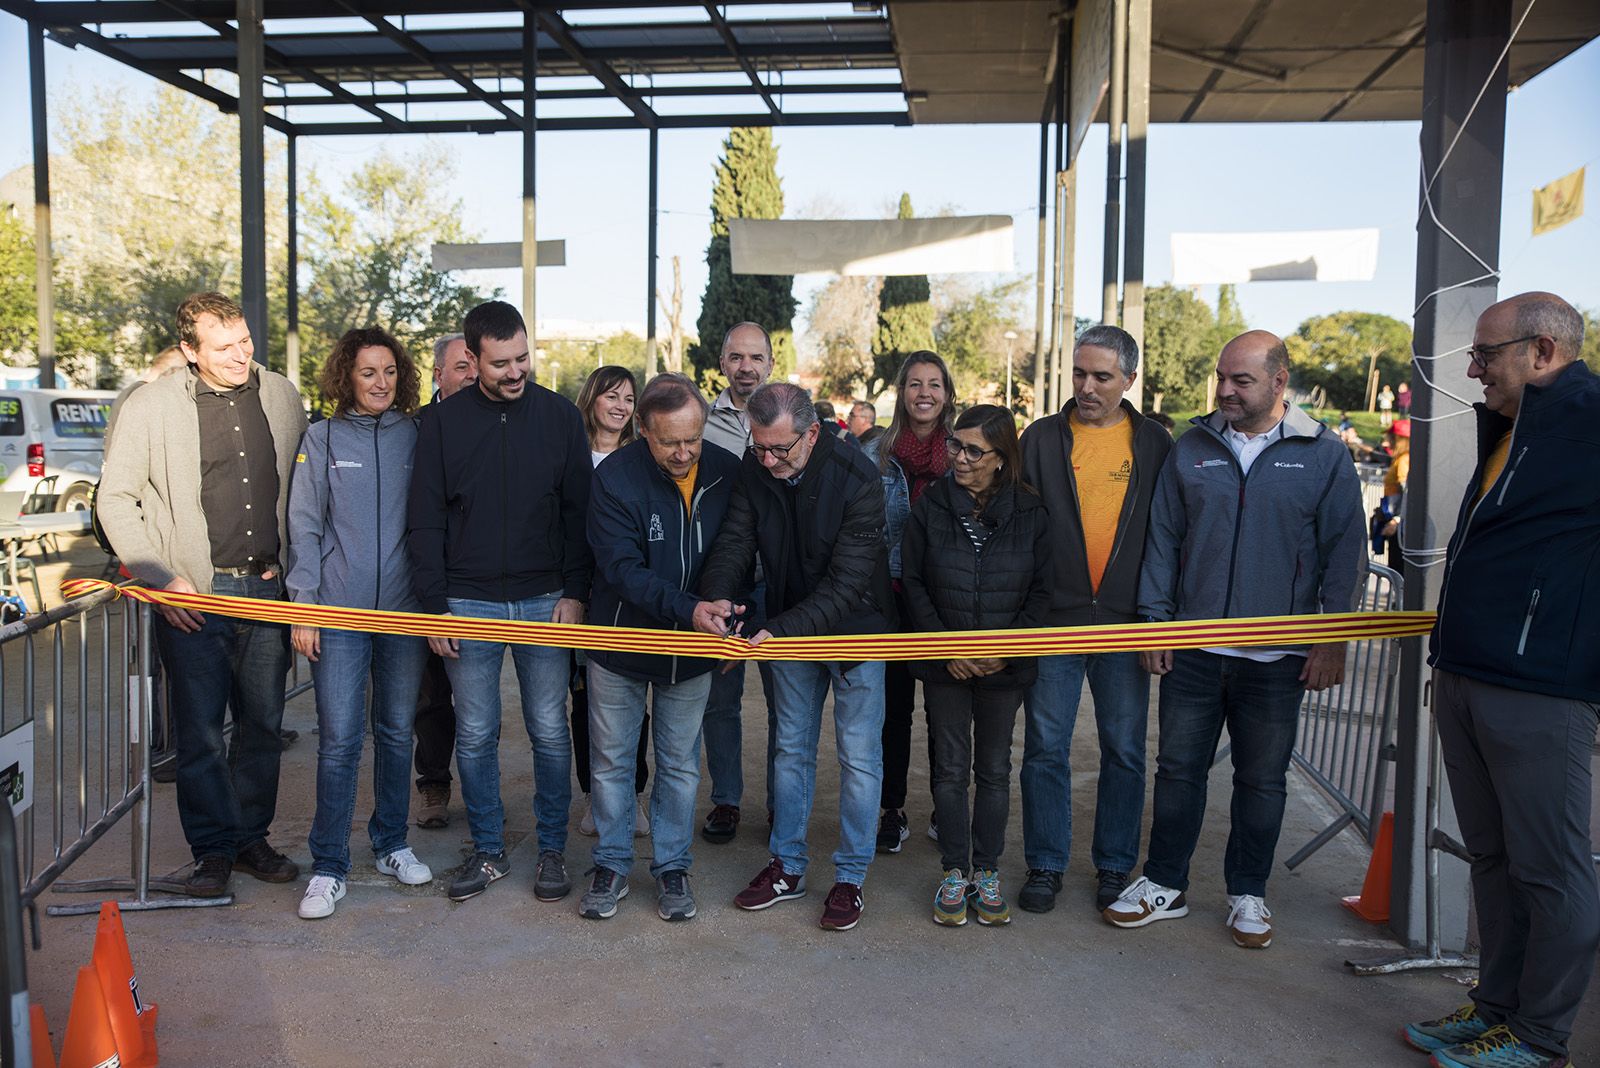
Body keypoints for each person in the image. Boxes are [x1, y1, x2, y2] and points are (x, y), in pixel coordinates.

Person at [1103, 329, 1364, 949]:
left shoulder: (1322, 454)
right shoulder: (1191, 447)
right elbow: (1164, 540)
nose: (1224, 389)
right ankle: (1163, 882)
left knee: (1261, 781)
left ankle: (1249, 892)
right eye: (1221, 376)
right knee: (1178, 772)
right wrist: (1155, 623)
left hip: (1277, 661)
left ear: (1280, 381)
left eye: (1240, 380)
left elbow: (1344, 553)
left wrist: (1332, 640)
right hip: (1195, 651)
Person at [1402, 293, 1599, 1068]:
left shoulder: (1587, 419)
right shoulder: (1517, 428)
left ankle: (1541, 1034)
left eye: (1485, 355)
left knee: (1549, 868)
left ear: (1543, 351)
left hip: (1541, 687)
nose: (1473, 370)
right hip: (1469, 672)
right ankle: (1498, 1008)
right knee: (1493, 856)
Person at [98, 291, 307, 897]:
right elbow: (116, 500)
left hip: (267, 590)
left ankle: (250, 840)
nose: (242, 355)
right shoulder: (151, 406)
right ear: (190, 351)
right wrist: (162, 579)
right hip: (194, 596)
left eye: (244, 341)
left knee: (263, 726)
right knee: (201, 735)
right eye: (224, 347)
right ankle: (212, 850)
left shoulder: (281, 396)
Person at [407, 300, 592, 904]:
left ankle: (551, 854)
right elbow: (425, 521)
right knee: (477, 732)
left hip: (546, 601)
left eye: (523, 358)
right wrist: (435, 606)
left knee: (549, 729)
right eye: (501, 363)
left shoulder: (562, 417)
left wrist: (575, 591)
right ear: (472, 359)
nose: (516, 372)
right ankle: (487, 851)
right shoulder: (440, 424)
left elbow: (578, 513)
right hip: (467, 603)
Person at [695, 382, 892, 932]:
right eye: (759, 447)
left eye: (780, 450)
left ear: (811, 434)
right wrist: (719, 597)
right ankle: (787, 866)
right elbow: (735, 541)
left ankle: (850, 876)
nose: (768, 460)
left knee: (857, 758)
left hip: (855, 635)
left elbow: (847, 583)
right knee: (790, 750)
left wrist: (775, 629)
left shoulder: (859, 476)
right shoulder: (757, 466)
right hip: (784, 630)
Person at [1016, 325, 1173, 914]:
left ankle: (1114, 866)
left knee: (1125, 750)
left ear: (1129, 380)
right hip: (1054, 624)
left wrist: (1158, 619)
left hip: (1124, 625)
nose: (1086, 386)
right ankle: (1045, 864)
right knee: (1045, 747)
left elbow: (1168, 536)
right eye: (1079, 373)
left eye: (1101, 376)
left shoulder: (1156, 443)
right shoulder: (1040, 439)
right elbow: (1019, 529)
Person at [578, 374, 742, 922]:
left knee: (679, 764)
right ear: (642, 430)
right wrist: (689, 609)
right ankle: (612, 861)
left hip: (693, 649)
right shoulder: (615, 479)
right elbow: (622, 569)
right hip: (621, 643)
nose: (684, 452)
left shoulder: (724, 468)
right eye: (670, 441)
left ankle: (672, 865)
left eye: (693, 438)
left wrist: (717, 604)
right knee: (612, 761)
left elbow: (735, 546)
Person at [287, 327, 432, 919]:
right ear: (347, 374)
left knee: (398, 732)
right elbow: (304, 524)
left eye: (390, 372)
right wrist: (305, 603)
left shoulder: (418, 436)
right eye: (368, 372)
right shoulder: (320, 438)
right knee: (341, 740)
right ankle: (328, 865)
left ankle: (393, 842)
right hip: (338, 613)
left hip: (403, 613)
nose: (380, 382)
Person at [901, 404, 1051, 927]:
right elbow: (914, 582)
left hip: (1002, 670)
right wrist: (945, 646)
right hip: (946, 664)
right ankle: (953, 870)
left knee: (992, 770)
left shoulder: (1031, 511)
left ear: (1001, 458)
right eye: (954, 447)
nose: (959, 458)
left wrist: (1004, 650)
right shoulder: (932, 505)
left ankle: (985, 870)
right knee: (948, 768)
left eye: (973, 450)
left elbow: (1041, 592)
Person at [862, 351, 953, 853]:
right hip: (890, 599)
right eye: (914, 384)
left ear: (947, 392)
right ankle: (890, 809)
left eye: (934, 384)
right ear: (901, 393)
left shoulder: (965, 452)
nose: (924, 393)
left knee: (944, 712)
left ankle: (946, 806)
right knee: (892, 713)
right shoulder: (874, 451)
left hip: (944, 601)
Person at [697, 322, 779, 844]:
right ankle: (726, 799)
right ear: (721, 362)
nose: (746, 366)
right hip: (722, 581)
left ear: (770, 363)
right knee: (719, 701)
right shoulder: (699, 421)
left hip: (780, 582)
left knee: (785, 703)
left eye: (756, 357)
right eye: (736, 357)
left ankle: (781, 804)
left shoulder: (795, 415)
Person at [571, 365, 652, 840]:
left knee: (631, 701)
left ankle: (633, 795)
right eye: (611, 396)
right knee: (583, 701)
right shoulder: (571, 454)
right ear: (592, 399)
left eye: (628, 398)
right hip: (581, 596)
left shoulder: (642, 457)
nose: (620, 406)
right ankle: (593, 795)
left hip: (628, 597)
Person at [413, 332, 477, 830]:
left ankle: (481, 795)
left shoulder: (494, 424)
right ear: (438, 374)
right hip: (424, 579)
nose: (472, 374)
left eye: (475, 365)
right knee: (431, 694)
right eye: (461, 366)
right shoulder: (415, 428)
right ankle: (433, 786)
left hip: (474, 583)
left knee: (478, 702)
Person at [1377, 419, 1409, 572]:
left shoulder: (1404, 460)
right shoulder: (1400, 459)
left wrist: (1397, 520)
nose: (1387, 442)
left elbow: (1408, 494)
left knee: (1398, 571)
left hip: (1399, 525)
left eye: (1391, 437)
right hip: (1396, 522)